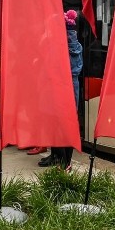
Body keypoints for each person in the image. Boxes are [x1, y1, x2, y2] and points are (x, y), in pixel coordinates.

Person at [40, 10, 82, 169]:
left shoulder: (64, 47)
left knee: (62, 126)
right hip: (66, 90)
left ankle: (65, 163)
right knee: (62, 125)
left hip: (63, 91)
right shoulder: (74, 46)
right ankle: (61, 159)